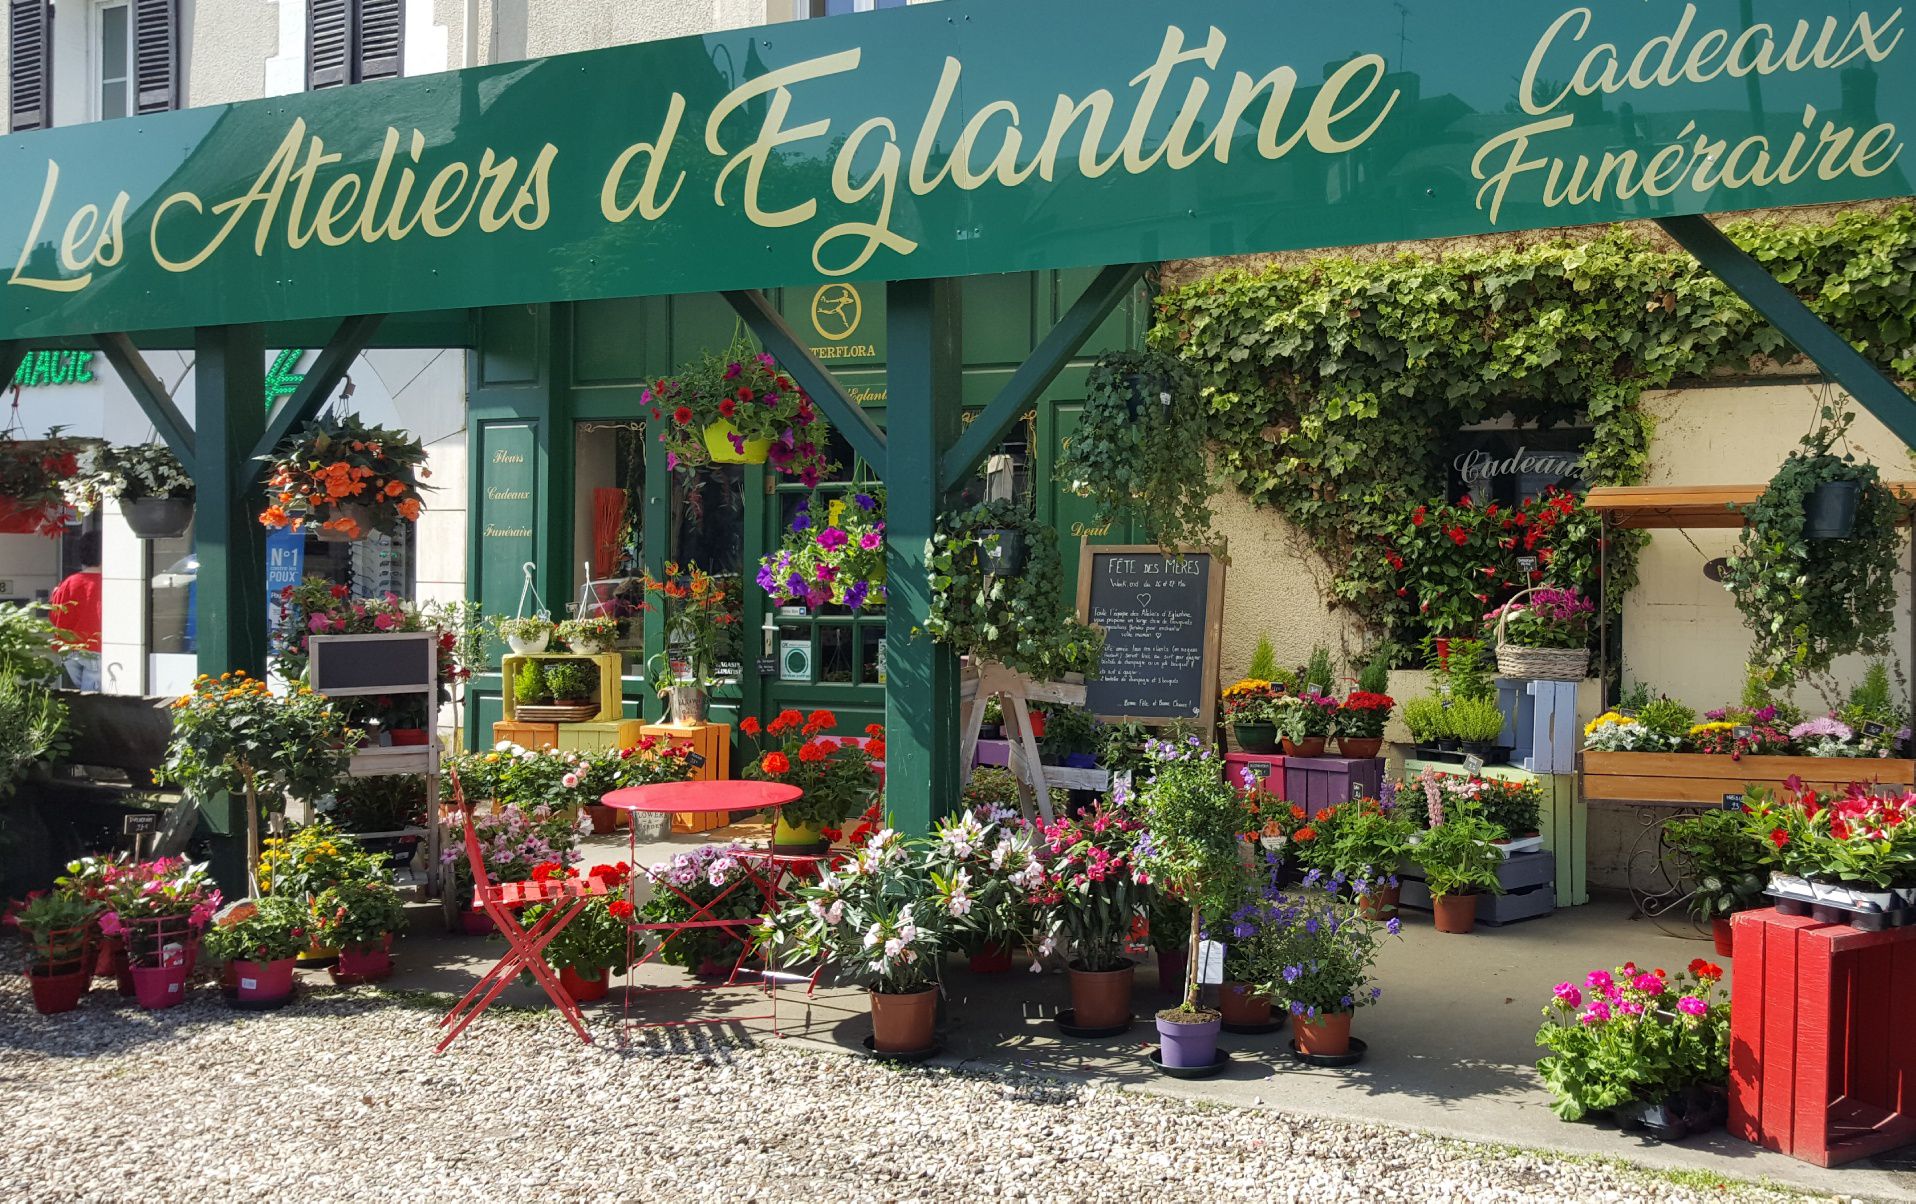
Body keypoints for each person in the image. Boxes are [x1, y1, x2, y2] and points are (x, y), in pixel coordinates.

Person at [50, 528, 103, 691]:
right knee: (94, 704)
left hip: (70, 651)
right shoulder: (108, 583)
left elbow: (55, 616)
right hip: (96, 649)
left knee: (85, 696)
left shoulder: (68, 582)